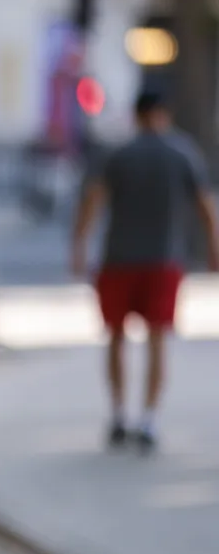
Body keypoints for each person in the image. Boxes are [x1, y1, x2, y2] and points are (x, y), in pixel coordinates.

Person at [70, 91, 218, 453]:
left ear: (136, 116)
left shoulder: (118, 153)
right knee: (156, 340)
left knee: (116, 337)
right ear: (163, 114)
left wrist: (79, 245)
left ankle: (119, 414)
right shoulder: (183, 152)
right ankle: (149, 419)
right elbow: (205, 205)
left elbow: (94, 199)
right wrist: (214, 249)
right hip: (164, 261)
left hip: (118, 258)